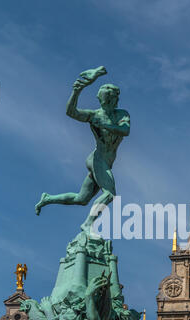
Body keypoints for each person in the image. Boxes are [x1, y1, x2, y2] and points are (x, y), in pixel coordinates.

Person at [35, 66, 130, 233]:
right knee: (109, 193)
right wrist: (76, 91)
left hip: (105, 161)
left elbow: (125, 130)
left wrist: (106, 125)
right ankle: (87, 224)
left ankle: (47, 199)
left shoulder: (121, 114)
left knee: (81, 198)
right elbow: (71, 112)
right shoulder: (94, 115)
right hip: (97, 159)